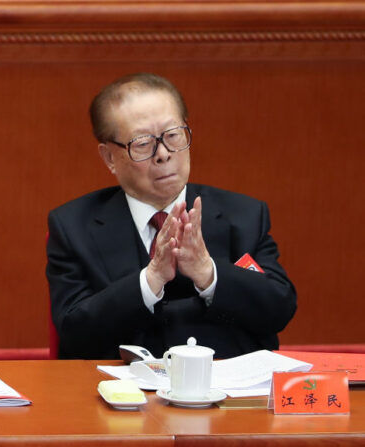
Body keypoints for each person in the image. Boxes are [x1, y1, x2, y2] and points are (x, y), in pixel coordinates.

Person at [46, 73, 296, 360]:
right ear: (109, 158)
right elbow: (74, 332)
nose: (163, 154)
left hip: (228, 397)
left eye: (173, 136)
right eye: (142, 143)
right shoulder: (73, 227)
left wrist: (207, 272)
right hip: (122, 397)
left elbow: (279, 308)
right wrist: (150, 280)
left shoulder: (243, 215)